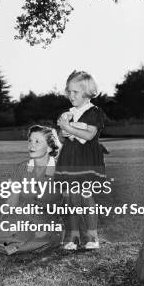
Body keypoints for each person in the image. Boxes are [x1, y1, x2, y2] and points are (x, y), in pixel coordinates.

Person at [0, 125, 63, 255]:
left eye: (37, 141)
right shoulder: (21, 168)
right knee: (7, 231)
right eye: (30, 140)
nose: (31, 145)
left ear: (50, 147)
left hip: (47, 222)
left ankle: (3, 242)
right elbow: (12, 201)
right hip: (22, 217)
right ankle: (1, 240)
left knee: (42, 236)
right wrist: (3, 222)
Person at [56, 70, 107, 251]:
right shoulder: (69, 113)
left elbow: (89, 134)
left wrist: (68, 127)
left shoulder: (94, 112)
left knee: (85, 197)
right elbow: (64, 138)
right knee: (71, 199)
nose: (71, 96)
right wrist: (64, 131)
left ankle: (92, 237)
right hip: (69, 160)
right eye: (69, 92)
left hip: (86, 161)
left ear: (87, 92)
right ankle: (73, 237)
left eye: (75, 92)